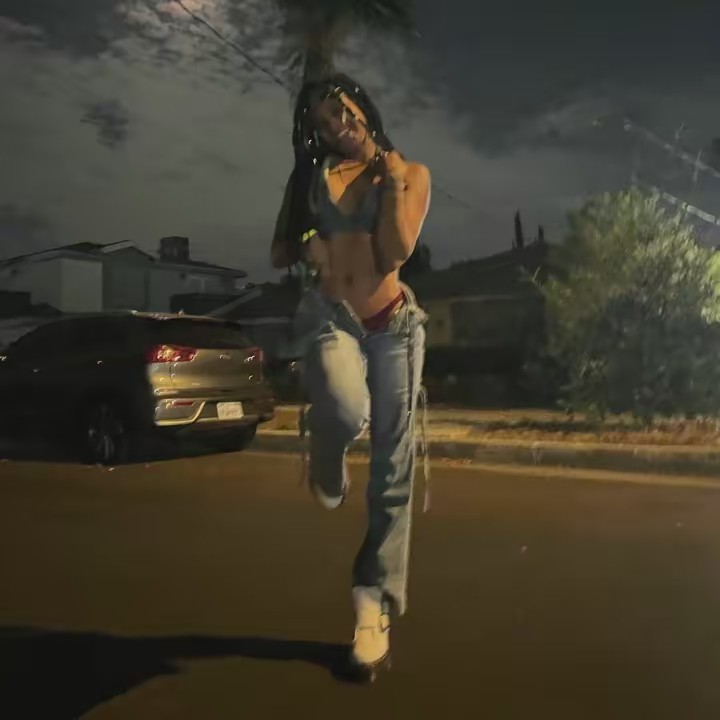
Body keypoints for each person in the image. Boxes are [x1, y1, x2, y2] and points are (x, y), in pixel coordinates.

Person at [270, 73, 431, 681]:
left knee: (392, 471)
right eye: (322, 123)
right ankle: (326, 451)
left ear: (361, 104)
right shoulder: (311, 178)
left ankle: (372, 601)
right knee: (343, 407)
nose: (337, 126)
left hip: (395, 327)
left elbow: (395, 252)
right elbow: (281, 251)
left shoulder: (410, 173)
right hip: (331, 315)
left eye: (340, 111)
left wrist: (392, 183)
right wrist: (312, 240)